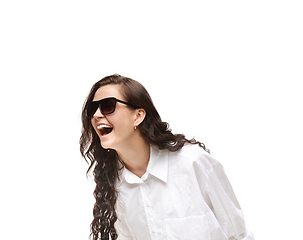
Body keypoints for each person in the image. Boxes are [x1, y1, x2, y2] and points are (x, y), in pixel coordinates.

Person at [80, 74, 254, 240]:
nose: (96, 115)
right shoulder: (115, 185)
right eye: (92, 109)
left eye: (108, 106)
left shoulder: (192, 162)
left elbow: (238, 234)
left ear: (138, 116)